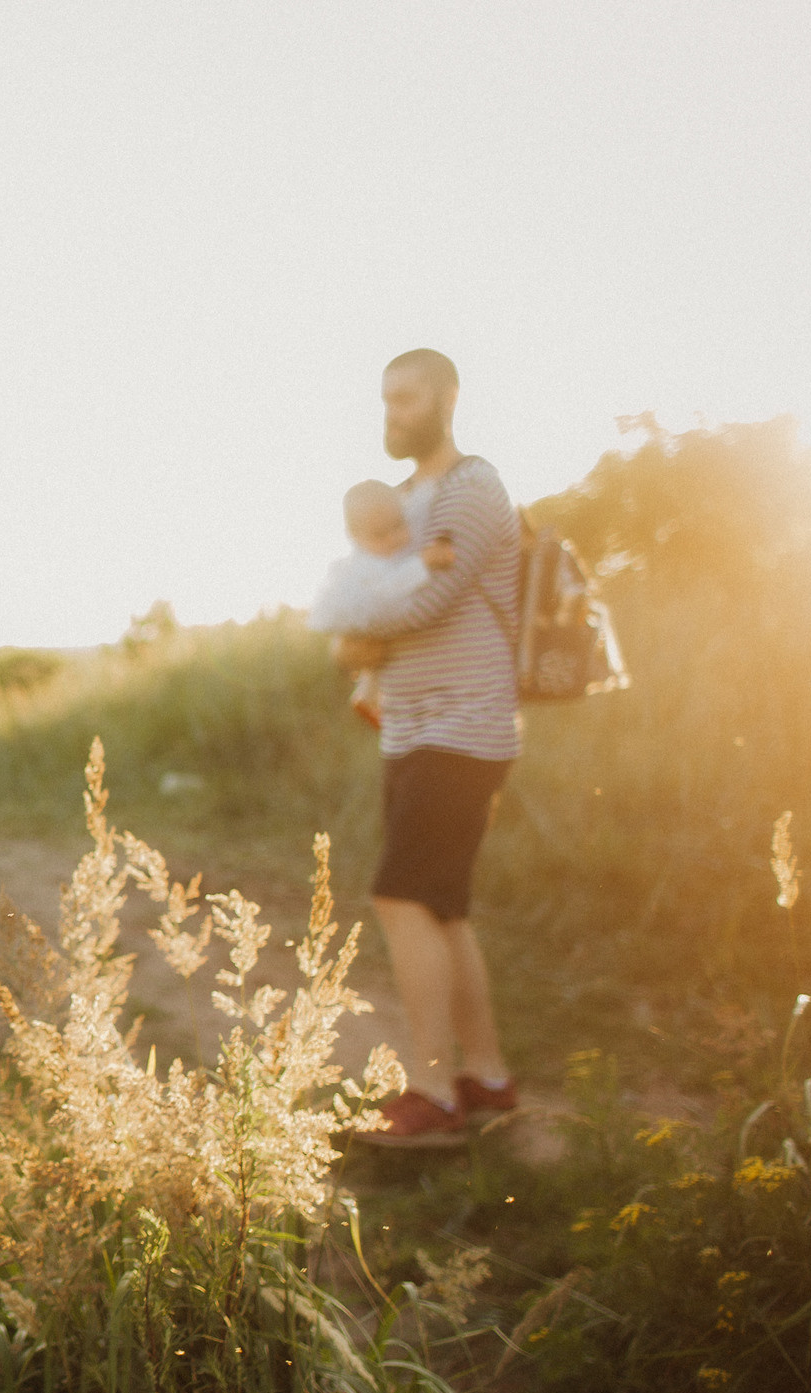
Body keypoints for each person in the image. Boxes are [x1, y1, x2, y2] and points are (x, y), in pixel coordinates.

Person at [333, 348, 520, 1145]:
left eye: (406, 397)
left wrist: (353, 629)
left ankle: (433, 1088)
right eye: (384, 400)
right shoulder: (405, 501)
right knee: (441, 906)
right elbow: (368, 606)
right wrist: (356, 633)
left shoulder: (471, 489)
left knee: (399, 894)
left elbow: (423, 600)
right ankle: (486, 1076)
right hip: (410, 728)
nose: (392, 413)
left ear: (447, 397)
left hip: (464, 726)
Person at [307, 479, 452, 727]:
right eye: (379, 535)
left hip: (379, 630)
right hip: (361, 613)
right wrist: (423, 563)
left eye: (398, 526)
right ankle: (368, 696)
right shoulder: (366, 564)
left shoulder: (388, 548)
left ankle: (367, 696)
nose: (393, 538)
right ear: (355, 537)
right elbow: (388, 590)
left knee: (377, 656)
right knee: (371, 648)